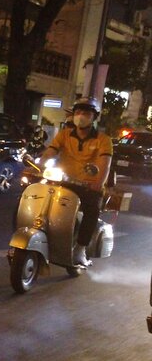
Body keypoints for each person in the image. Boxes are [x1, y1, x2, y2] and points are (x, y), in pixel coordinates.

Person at [39, 96, 112, 266]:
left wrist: (98, 183)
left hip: (88, 186)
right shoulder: (64, 135)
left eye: (86, 113)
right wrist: (40, 164)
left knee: (92, 210)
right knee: (37, 196)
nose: (81, 116)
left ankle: (80, 249)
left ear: (94, 117)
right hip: (64, 181)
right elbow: (50, 152)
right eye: (78, 112)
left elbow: (105, 164)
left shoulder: (103, 140)